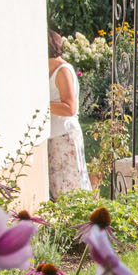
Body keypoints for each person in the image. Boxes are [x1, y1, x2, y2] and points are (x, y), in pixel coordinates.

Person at [47, 28, 90, 195]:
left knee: (71, 189)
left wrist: (42, 104)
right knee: (58, 189)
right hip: (53, 137)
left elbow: (70, 108)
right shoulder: (46, 69)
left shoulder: (62, 70)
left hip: (65, 137)